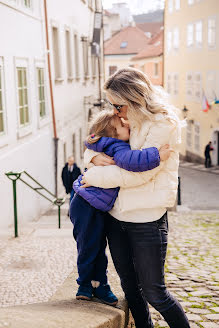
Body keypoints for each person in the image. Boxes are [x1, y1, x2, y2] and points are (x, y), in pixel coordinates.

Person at [82, 68, 190, 328]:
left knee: (155, 292)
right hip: (115, 216)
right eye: (112, 105)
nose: (115, 112)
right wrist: (92, 159)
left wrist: (92, 176)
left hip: (147, 219)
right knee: (131, 289)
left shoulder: (164, 124)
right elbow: (98, 142)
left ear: (134, 99)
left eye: (117, 105)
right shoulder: (128, 118)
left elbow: (139, 175)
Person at [70, 109, 172, 306]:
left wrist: (90, 156)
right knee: (89, 246)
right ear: (113, 133)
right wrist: (157, 155)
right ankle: (85, 285)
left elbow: (90, 140)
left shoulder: (106, 142)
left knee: (97, 246)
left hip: (94, 203)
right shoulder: (117, 147)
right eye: (122, 125)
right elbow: (132, 161)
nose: (126, 123)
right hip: (86, 203)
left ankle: (99, 286)